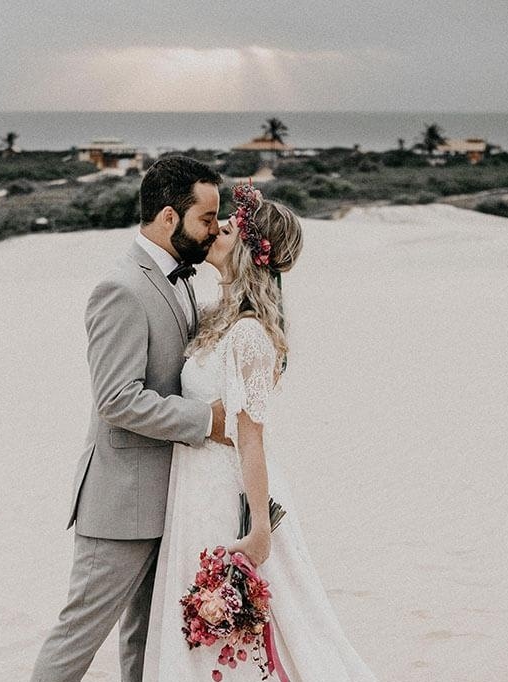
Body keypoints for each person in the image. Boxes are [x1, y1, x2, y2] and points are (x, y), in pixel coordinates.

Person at [143, 185, 377, 680]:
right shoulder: (216, 318)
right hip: (192, 486)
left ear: (248, 250)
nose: (215, 230)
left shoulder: (249, 333)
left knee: (240, 629)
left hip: (225, 493)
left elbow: (251, 438)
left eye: (226, 229)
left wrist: (260, 531)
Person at [30, 156, 233, 682]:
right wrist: (205, 422)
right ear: (170, 217)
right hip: (120, 502)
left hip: (171, 497)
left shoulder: (182, 278)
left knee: (146, 640)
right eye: (206, 219)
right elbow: (116, 399)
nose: (214, 229)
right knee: (77, 639)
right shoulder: (121, 287)